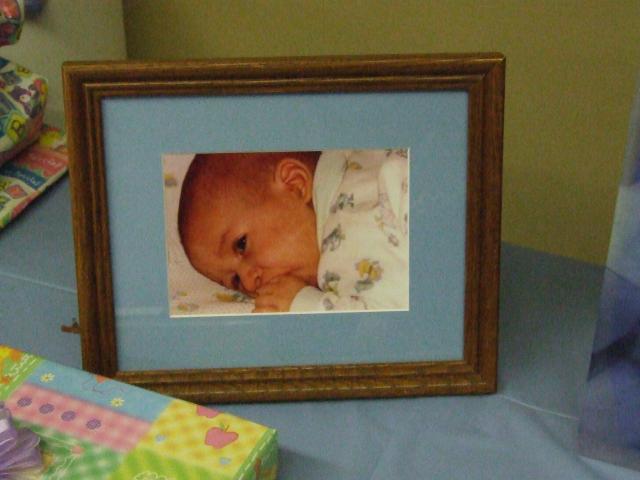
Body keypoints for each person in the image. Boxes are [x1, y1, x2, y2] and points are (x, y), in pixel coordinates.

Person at [178, 149, 409, 313]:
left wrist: (303, 304)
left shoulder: (350, 227)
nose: (249, 284)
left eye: (241, 244)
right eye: (235, 280)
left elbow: (390, 321)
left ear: (295, 185)